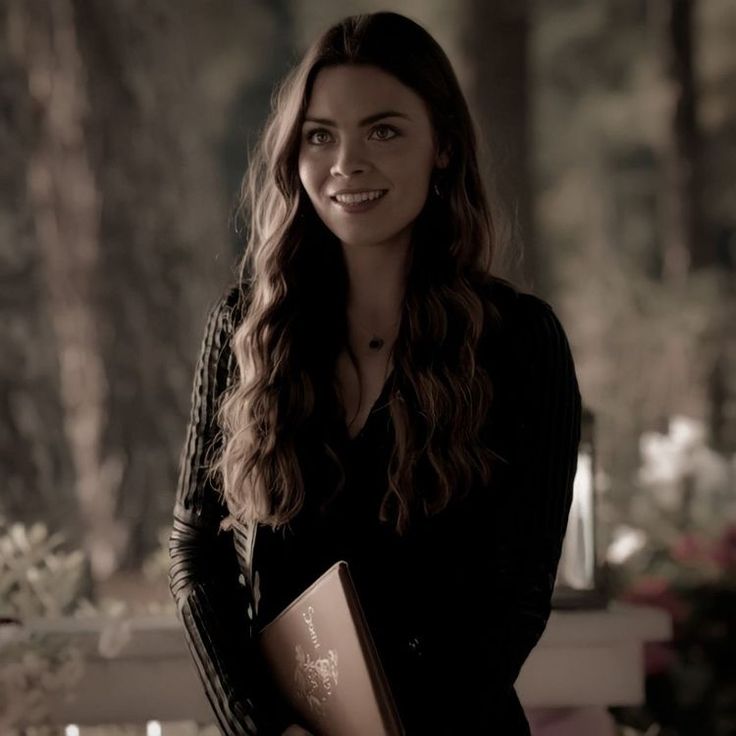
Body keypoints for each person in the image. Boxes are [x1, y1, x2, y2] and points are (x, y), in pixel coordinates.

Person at [169, 11, 582, 736]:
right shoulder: (246, 331)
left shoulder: (520, 341)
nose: (345, 164)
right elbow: (196, 552)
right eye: (320, 135)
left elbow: (517, 595)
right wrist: (253, 723)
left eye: (384, 130)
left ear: (444, 147)